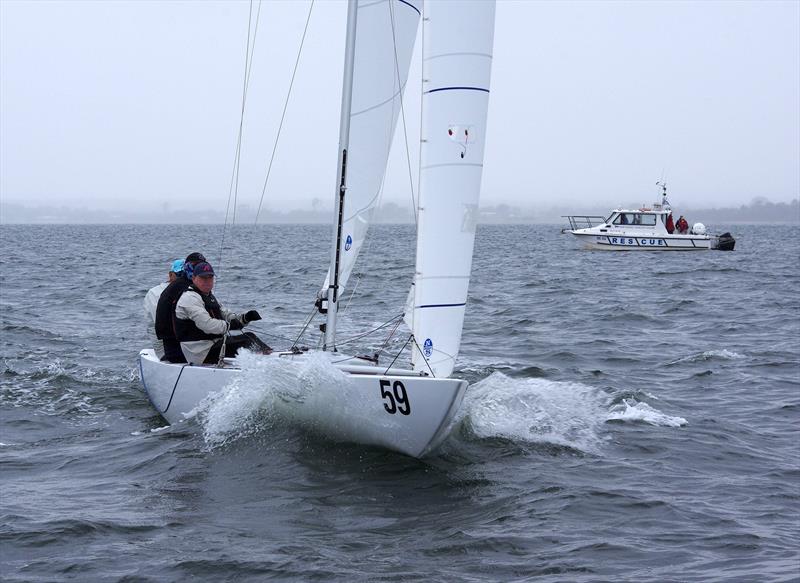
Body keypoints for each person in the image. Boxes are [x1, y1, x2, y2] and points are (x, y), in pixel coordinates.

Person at [174, 261, 271, 365]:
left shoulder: (208, 296)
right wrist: (230, 325)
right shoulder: (189, 298)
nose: (207, 281)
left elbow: (227, 315)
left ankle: (269, 359)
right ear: (193, 278)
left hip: (214, 345)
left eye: (210, 277)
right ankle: (270, 364)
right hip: (200, 352)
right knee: (247, 341)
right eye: (203, 278)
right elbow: (207, 325)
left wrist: (245, 318)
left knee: (250, 336)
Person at [155, 252, 208, 363]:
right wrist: (225, 326)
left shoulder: (187, 286)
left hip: (185, 345)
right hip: (180, 350)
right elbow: (204, 323)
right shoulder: (185, 290)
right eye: (195, 266)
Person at [144, 259, 184, 358]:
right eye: (179, 275)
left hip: (186, 344)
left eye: (185, 275)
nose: (182, 279)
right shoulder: (155, 293)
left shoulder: (189, 290)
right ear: (170, 275)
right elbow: (162, 324)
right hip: (165, 349)